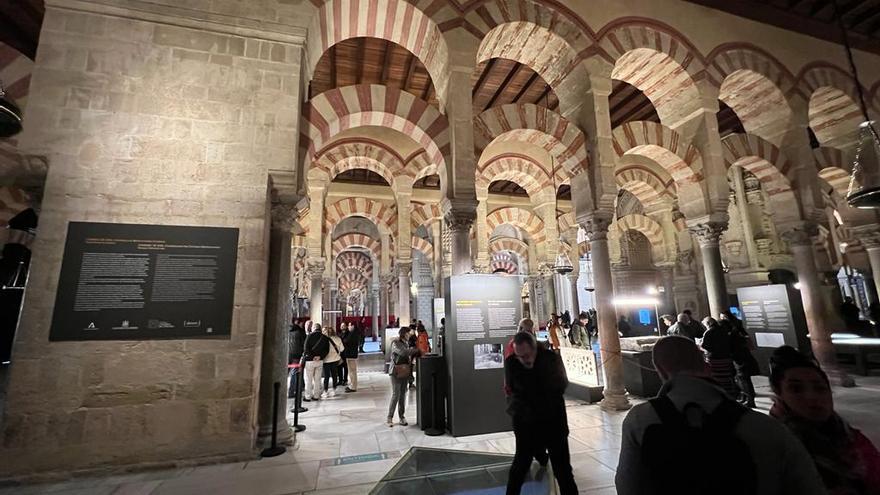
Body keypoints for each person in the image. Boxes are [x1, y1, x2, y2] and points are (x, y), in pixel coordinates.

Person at [616, 336, 826, 495]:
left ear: (659, 370)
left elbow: (628, 486)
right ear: (706, 365)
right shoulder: (766, 427)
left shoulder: (640, 421)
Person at [769, 346, 880, 494]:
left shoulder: (851, 438)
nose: (811, 397)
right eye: (796, 389)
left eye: (819, 388)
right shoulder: (773, 449)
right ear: (779, 395)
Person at [505, 332, 578, 495]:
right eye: (520, 356)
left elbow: (560, 385)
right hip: (526, 423)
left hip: (553, 422)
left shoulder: (551, 359)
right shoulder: (512, 363)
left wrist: (531, 391)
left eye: (527, 355)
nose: (524, 359)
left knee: (563, 471)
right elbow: (513, 389)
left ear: (534, 348)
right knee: (520, 467)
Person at [721, 310, 758, 408]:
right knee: (741, 378)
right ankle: (746, 397)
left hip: (740, 358)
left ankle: (750, 399)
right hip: (742, 356)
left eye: (722, 317)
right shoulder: (735, 330)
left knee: (743, 378)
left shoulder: (732, 334)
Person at [387, 327, 421, 427]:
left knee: (403, 395)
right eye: (408, 333)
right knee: (396, 394)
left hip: (404, 371)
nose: (409, 335)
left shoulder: (406, 343)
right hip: (395, 372)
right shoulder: (395, 343)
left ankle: (402, 417)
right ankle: (390, 417)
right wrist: (415, 350)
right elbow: (403, 352)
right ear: (403, 334)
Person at [700, 316, 738, 398]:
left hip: (715, 359)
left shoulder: (709, 332)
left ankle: (721, 394)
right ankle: (731, 394)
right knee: (728, 377)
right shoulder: (724, 330)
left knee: (717, 378)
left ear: (708, 324)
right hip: (726, 357)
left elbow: (704, 345)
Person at [302, 323, 329, 402]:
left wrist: (312, 356)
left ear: (313, 328)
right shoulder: (324, 337)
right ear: (320, 329)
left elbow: (305, 348)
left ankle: (307, 396)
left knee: (308, 379)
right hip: (319, 361)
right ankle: (316, 396)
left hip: (310, 361)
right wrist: (320, 356)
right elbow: (327, 350)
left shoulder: (309, 336)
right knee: (317, 379)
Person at [321, 326, 344, 398]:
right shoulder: (338, 339)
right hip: (335, 359)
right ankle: (334, 390)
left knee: (326, 376)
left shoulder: (323, 339)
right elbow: (342, 349)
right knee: (334, 375)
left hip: (326, 360)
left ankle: (325, 391)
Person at [288, 320, 306, 399]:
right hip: (296, 355)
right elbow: (303, 345)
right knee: (294, 373)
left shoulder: (287, 333)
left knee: (290, 373)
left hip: (287, 355)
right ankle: (292, 391)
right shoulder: (299, 333)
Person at [342, 321, 361, 393]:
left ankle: (353, 386)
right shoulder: (351, 333)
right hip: (350, 354)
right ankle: (352, 384)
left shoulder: (353, 334)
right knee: (351, 371)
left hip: (351, 354)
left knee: (352, 371)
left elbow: (347, 341)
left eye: (350, 325)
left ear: (353, 326)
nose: (348, 327)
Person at [338, 322, 349, 386]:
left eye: (344, 325)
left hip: (346, 353)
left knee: (345, 367)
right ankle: (340, 380)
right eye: (341, 326)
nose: (342, 327)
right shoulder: (339, 334)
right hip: (340, 353)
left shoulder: (348, 334)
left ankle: (345, 380)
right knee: (339, 367)